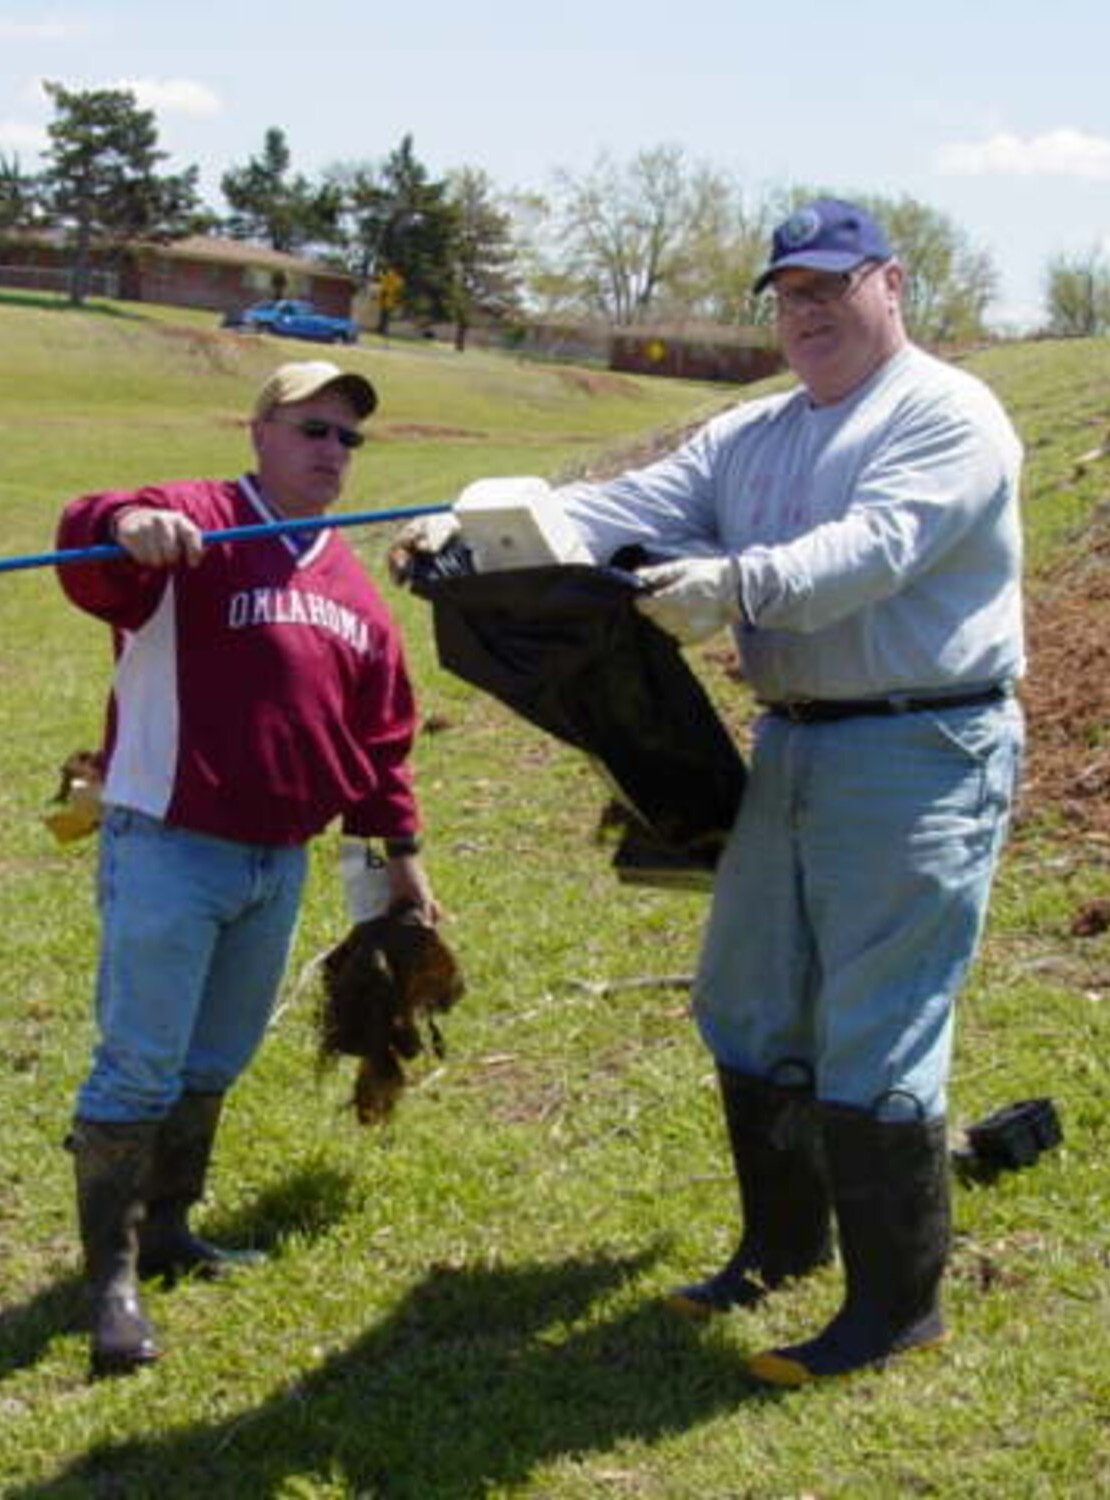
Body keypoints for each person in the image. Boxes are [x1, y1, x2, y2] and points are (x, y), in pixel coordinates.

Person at [402, 198, 1024, 1383]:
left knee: (875, 1023)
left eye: (829, 289)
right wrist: (475, 525)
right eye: (787, 295)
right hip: (792, 743)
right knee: (745, 1000)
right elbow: (616, 508)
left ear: (890, 284)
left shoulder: (945, 416)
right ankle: (780, 1247)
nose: (806, 314)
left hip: (921, 748)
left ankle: (894, 1307)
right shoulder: (755, 435)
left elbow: (873, 549)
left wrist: (733, 586)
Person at [55, 360, 436, 1378]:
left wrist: (398, 856)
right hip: (168, 841)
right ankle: (111, 1286)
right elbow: (91, 544)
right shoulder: (199, 523)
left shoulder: (354, 590)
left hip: (278, 864)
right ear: (259, 429)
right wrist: (122, 525)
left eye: (348, 438)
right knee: (139, 1059)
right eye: (312, 428)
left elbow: (380, 741)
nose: (331, 450)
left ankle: (171, 1228)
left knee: (214, 1060)